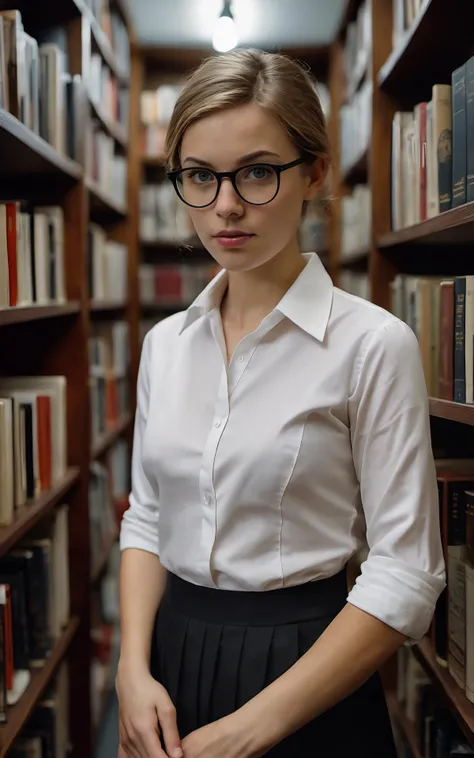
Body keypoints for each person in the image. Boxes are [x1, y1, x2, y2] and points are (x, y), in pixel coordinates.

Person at [116, 48, 446, 758]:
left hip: (311, 672)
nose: (225, 205)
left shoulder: (372, 344)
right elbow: (147, 518)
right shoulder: (166, 344)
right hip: (168, 665)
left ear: (315, 174)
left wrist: (248, 731)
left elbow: (408, 573)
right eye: (200, 176)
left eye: (258, 172)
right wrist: (130, 670)